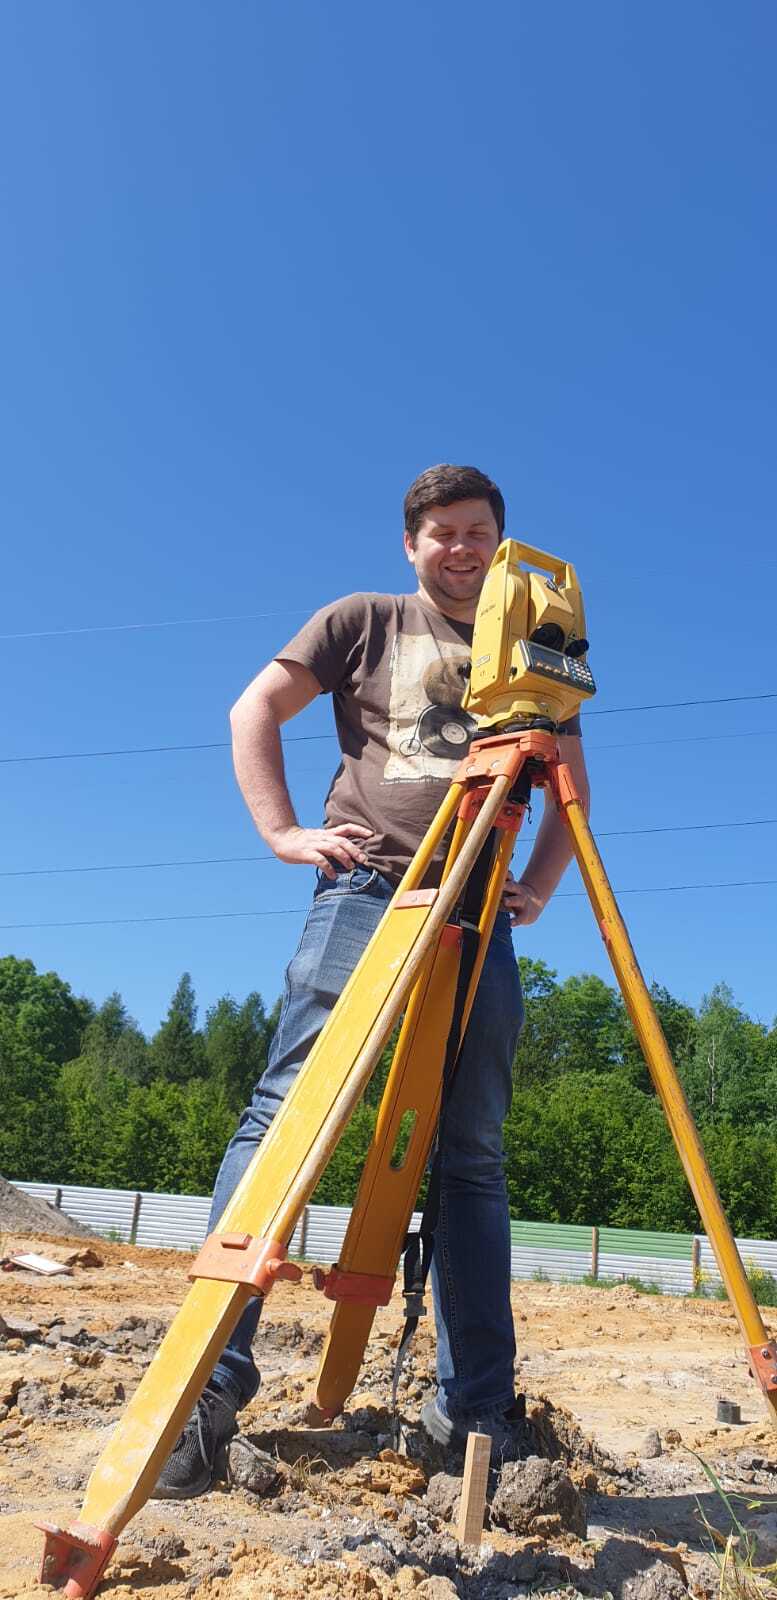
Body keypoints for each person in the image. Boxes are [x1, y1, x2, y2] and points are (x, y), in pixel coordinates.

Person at [155, 463, 590, 1499]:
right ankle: (206, 1385)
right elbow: (254, 709)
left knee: (470, 1152)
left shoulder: (536, 646)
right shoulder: (363, 620)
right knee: (288, 1116)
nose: (461, 547)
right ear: (411, 544)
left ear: (500, 544)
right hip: (367, 891)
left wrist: (535, 885)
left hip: (479, 913)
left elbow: (573, 784)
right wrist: (281, 832)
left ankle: (475, 1406)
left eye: (478, 530)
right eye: (441, 531)